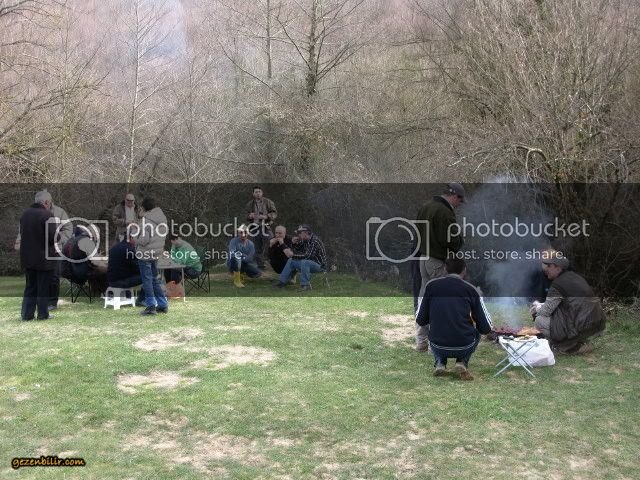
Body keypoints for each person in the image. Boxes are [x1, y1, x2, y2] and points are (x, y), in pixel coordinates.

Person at [415, 258, 492, 380]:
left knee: (434, 327)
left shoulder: (431, 286)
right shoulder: (471, 290)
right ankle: (462, 361)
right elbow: (485, 327)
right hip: (464, 346)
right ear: (464, 270)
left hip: (437, 345)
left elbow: (420, 320)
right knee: (477, 331)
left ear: (445, 269)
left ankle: (440, 362)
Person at [414, 182, 466, 352]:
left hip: (423, 259)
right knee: (439, 302)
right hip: (437, 261)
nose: (459, 204)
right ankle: (435, 344)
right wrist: (460, 239)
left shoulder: (426, 207)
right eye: (460, 200)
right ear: (454, 196)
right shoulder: (444, 211)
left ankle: (421, 341)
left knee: (424, 300)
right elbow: (450, 240)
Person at [530, 251, 606, 354]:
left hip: (583, 326)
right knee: (554, 314)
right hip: (596, 323)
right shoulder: (574, 276)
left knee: (539, 320)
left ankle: (569, 347)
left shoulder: (557, 285)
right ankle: (580, 341)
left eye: (548, 267)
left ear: (557, 267)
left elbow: (546, 311)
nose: (545, 270)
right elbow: (561, 303)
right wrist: (541, 305)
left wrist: (537, 308)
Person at [16, 190, 73, 311]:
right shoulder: (43, 215)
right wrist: (19, 241)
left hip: (53, 250)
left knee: (52, 278)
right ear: (46, 202)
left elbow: (68, 228)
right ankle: (41, 310)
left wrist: (60, 241)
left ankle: (48, 304)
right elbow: (23, 232)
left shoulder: (59, 212)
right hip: (38, 253)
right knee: (37, 282)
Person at [19, 191, 58, 321]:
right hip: (44, 258)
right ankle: (43, 314)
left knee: (30, 287)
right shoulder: (47, 215)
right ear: (46, 202)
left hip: (27, 257)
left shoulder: (25, 214)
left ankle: (27, 314)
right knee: (43, 287)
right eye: (50, 202)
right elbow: (53, 237)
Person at [134, 197, 169, 315]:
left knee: (147, 281)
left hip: (145, 254)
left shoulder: (147, 221)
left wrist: (135, 238)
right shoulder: (162, 218)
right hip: (156, 254)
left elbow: (144, 240)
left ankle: (150, 306)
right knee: (154, 280)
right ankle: (163, 305)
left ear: (144, 207)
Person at [273, 224, 327, 292]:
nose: (298, 234)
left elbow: (307, 256)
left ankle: (305, 285)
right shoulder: (304, 240)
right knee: (291, 260)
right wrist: (293, 243)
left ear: (306, 233)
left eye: (300, 232)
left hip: (320, 266)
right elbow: (296, 250)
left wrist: (293, 255)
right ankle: (282, 282)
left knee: (305, 262)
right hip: (308, 263)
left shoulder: (314, 241)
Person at [61, 225, 108, 296]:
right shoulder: (87, 241)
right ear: (93, 232)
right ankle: (106, 292)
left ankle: (97, 291)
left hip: (71, 270)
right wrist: (106, 264)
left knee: (99, 268)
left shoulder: (75, 239)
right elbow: (96, 261)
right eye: (97, 234)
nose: (97, 237)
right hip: (80, 273)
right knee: (106, 269)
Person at [246, 186, 277, 269]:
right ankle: (261, 266)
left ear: (262, 193)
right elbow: (246, 215)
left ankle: (275, 262)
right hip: (254, 227)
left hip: (265, 226)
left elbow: (274, 213)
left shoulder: (268, 202)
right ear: (253, 194)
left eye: (259, 192)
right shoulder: (250, 204)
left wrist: (266, 216)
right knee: (256, 247)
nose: (258, 193)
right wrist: (249, 216)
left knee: (272, 243)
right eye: (256, 192)